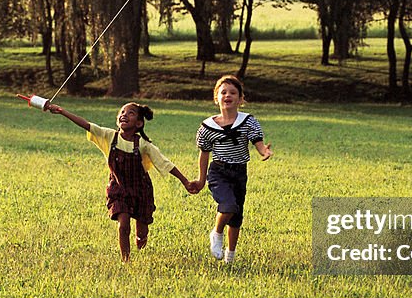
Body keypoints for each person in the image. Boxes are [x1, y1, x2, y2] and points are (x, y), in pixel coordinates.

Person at [47, 101, 196, 262]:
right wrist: (62, 111)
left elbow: (165, 164)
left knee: (142, 229)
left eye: (130, 113)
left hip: (141, 191)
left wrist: (185, 182)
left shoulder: (144, 145)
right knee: (123, 224)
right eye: (122, 112)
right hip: (118, 188)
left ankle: (141, 238)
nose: (124, 114)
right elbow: (87, 125)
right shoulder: (109, 136)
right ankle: (126, 260)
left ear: (139, 123)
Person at [189, 75, 273, 263]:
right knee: (228, 207)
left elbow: (257, 142)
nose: (228, 95)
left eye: (233, 93)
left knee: (236, 214)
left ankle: (230, 255)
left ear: (241, 99)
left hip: (239, 172)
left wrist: (264, 151)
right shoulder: (207, 127)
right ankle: (216, 234)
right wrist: (202, 180)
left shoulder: (249, 121)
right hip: (219, 171)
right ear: (216, 97)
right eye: (223, 92)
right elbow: (204, 154)